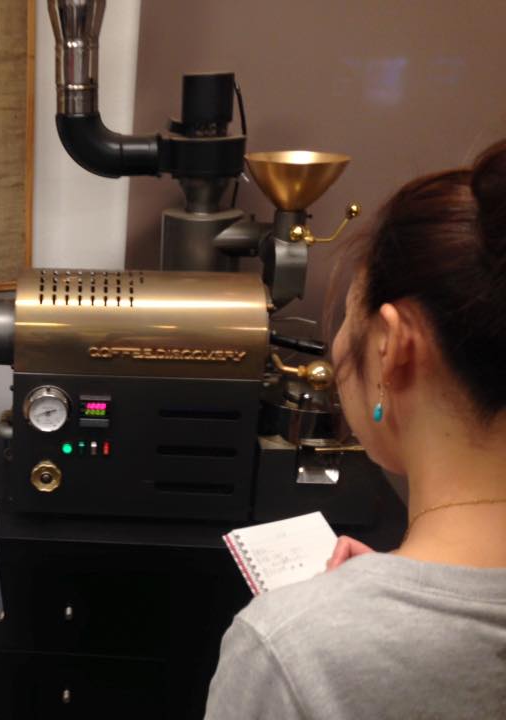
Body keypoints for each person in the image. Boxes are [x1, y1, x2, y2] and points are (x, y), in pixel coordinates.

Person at [204, 140, 506, 718]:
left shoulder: (290, 650)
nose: (340, 343)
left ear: (392, 346)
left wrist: (347, 614)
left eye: (348, 316)